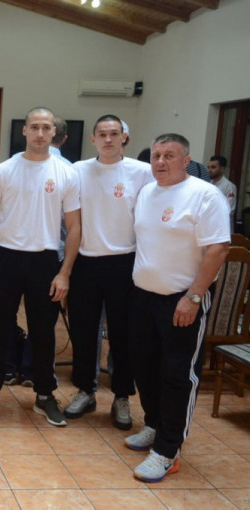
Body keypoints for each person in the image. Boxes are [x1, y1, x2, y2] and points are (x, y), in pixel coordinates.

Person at [125, 133, 229, 482]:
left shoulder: (205, 195)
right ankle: (154, 425)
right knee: (144, 367)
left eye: (169, 155)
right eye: (156, 155)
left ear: (186, 161)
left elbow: (218, 249)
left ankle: (168, 451)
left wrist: (194, 296)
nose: (160, 161)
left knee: (177, 375)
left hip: (182, 299)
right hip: (143, 296)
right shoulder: (146, 193)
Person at [0, 107, 81, 427]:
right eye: (34, 127)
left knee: (44, 332)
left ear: (54, 132)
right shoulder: (4, 170)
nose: (39, 133)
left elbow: (74, 226)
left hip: (46, 260)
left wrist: (64, 273)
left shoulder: (66, 173)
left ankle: (45, 395)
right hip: (7, 257)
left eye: (46, 127)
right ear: (24, 131)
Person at [64, 114, 153, 430]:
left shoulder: (142, 172)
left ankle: (121, 396)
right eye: (102, 134)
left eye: (114, 134)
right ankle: (85, 391)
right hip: (86, 262)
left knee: (123, 334)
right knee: (83, 332)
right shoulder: (78, 170)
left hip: (125, 263)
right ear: (93, 139)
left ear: (124, 137)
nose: (108, 139)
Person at [207, 155, 236, 227]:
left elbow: (230, 210)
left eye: (213, 167)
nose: (209, 170)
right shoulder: (208, 184)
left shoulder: (229, 186)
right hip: (209, 224)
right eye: (208, 167)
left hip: (222, 226)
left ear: (222, 169)